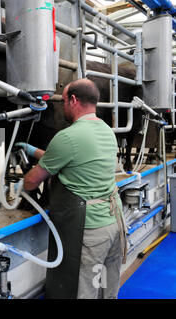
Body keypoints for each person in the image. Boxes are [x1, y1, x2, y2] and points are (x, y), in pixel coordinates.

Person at [22, 78, 127, 299]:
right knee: (106, 285)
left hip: (90, 230)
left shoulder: (68, 136)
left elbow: (33, 181)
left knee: (84, 290)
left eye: (63, 102)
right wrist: (33, 151)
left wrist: (19, 184)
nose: (62, 107)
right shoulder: (106, 131)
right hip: (114, 223)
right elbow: (70, 157)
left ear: (73, 100)